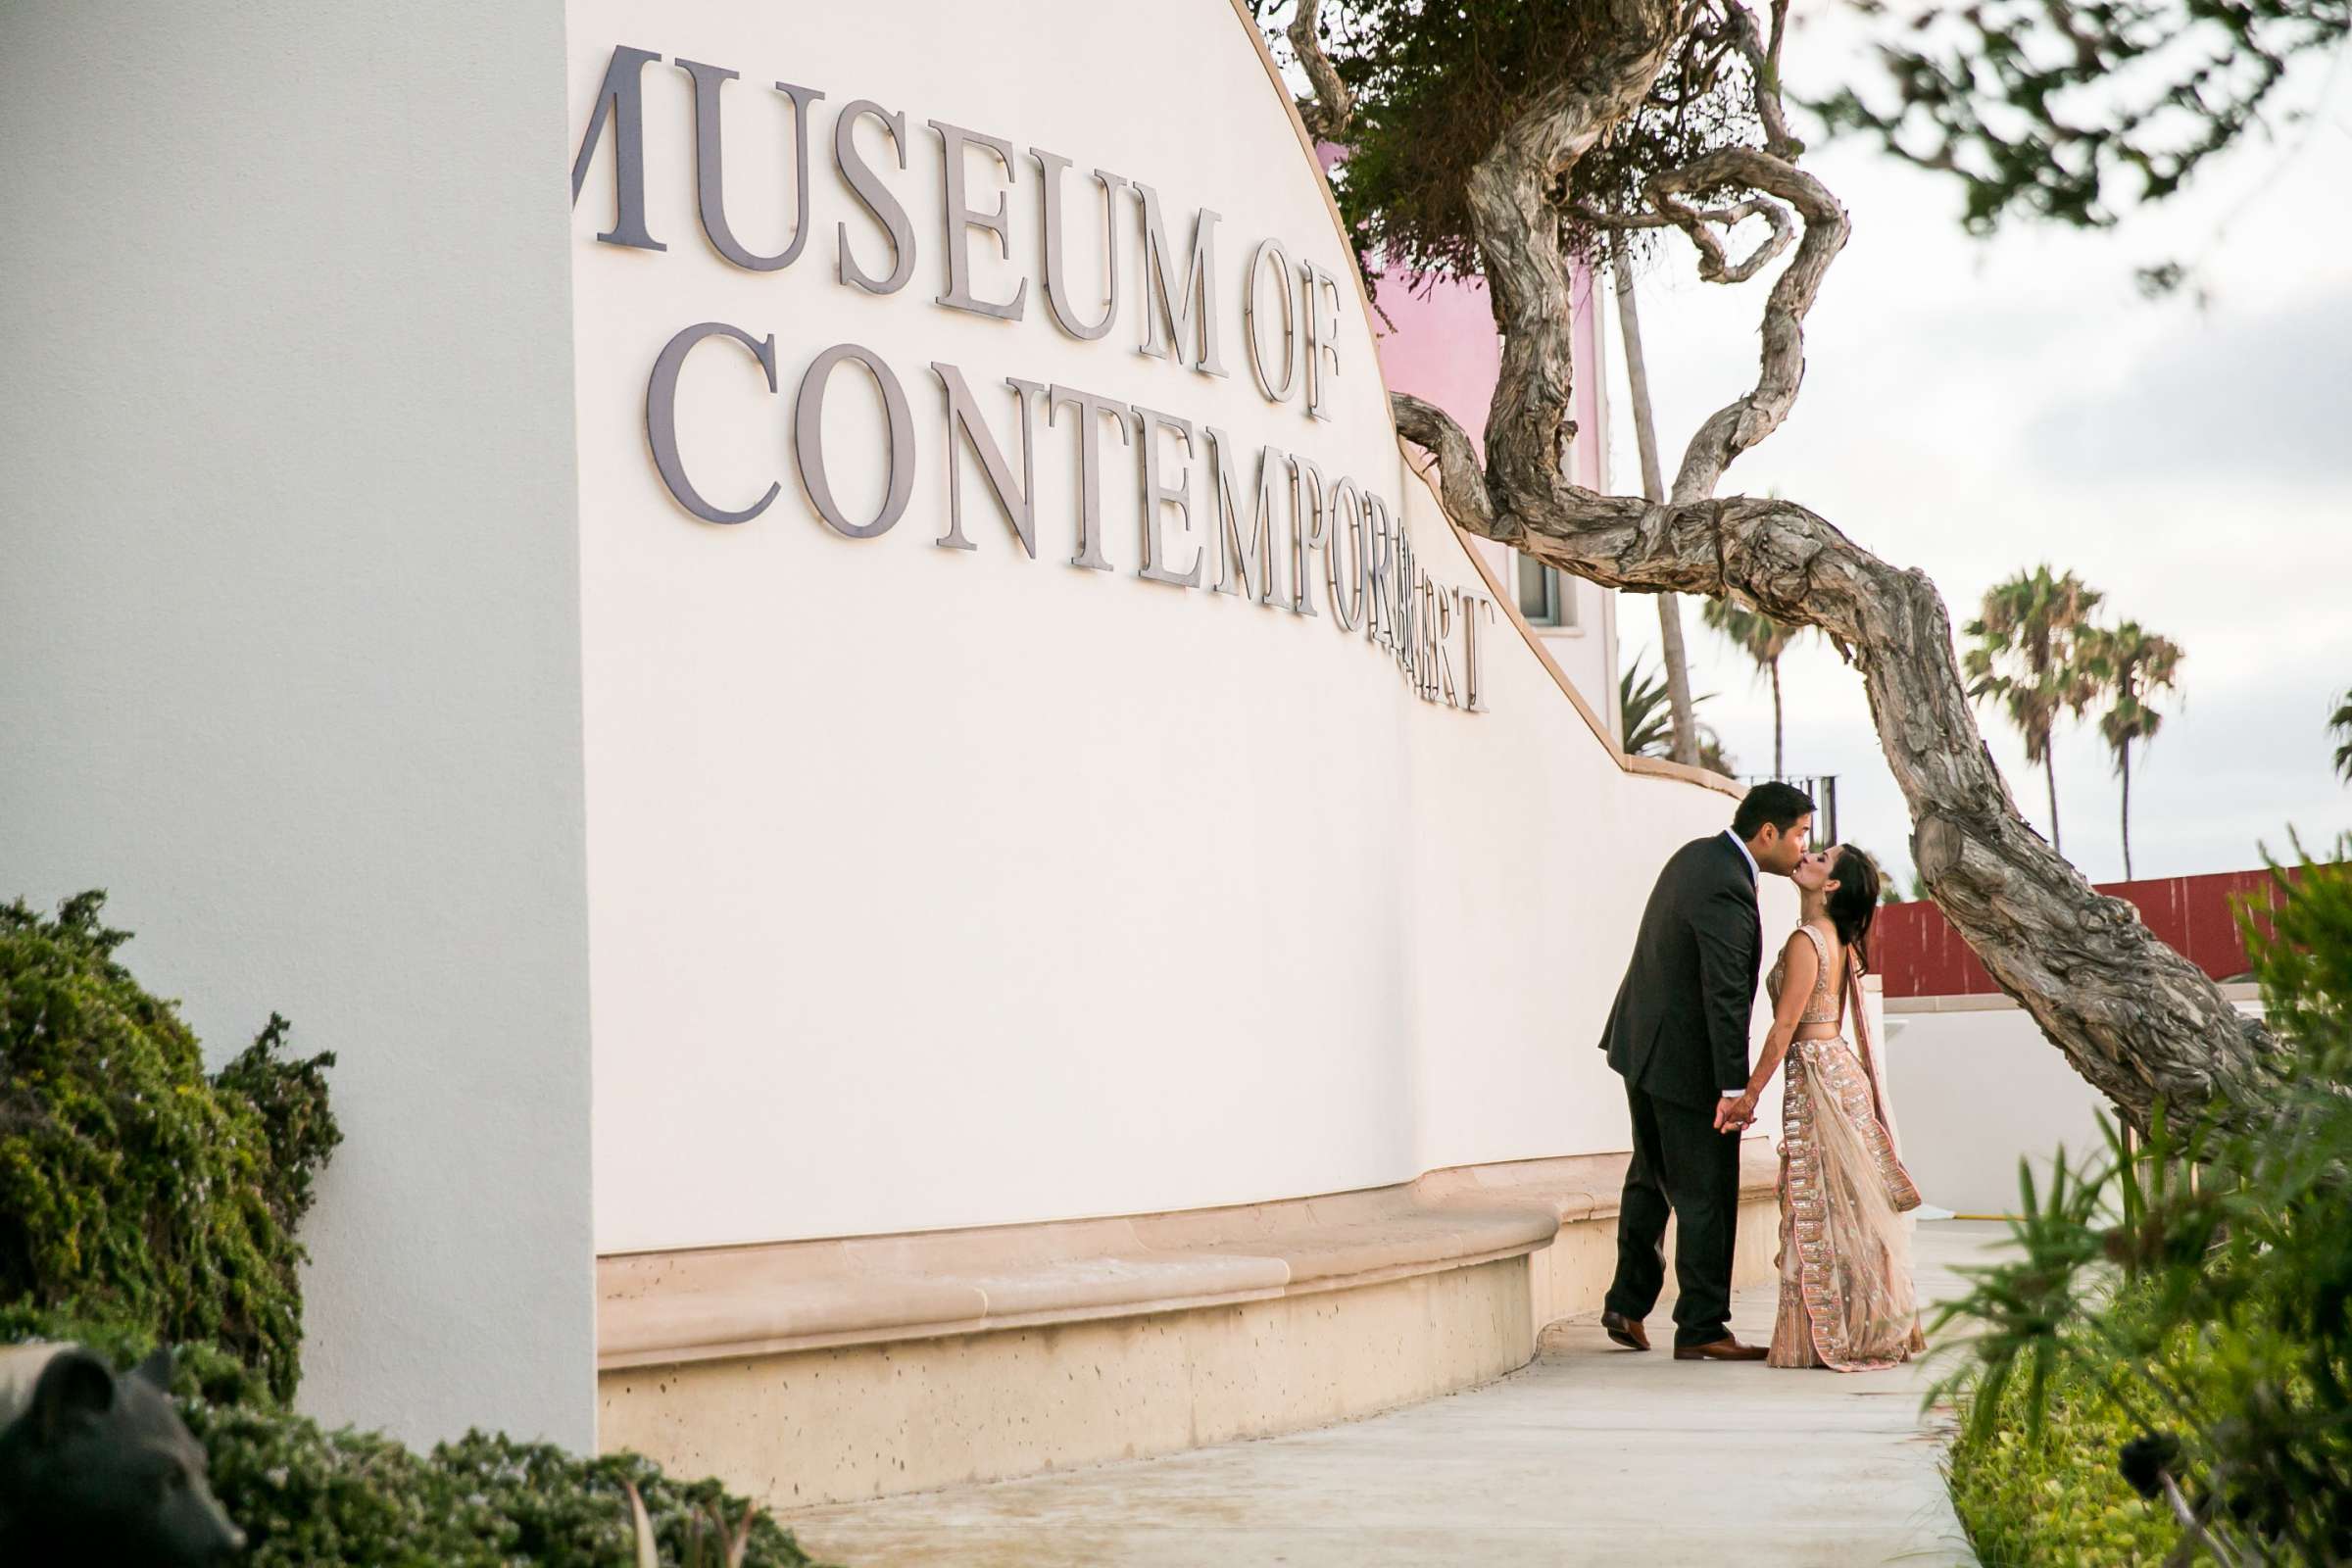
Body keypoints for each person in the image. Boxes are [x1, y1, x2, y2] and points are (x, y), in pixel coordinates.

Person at [1596, 782, 1814, 1362]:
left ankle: (1626, 1303)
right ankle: (1701, 1327)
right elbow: (1723, 993)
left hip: (1640, 1047)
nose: (1801, 849)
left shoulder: (1696, 855)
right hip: (1683, 1062)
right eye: (1799, 835)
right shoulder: (1726, 883)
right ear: (1767, 832)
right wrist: (1733, 1088)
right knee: (1707, 1190)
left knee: (1651, 1175)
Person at [1734, 843, 1927, 1371]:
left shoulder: (1807, 939)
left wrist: (1748, 1095)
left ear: (1832, 884)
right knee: (1844, 1207)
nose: (1807, 855)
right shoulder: (1839, 938)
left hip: (1818, 1073)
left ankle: (1831, 1335)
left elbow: (1783, 1031)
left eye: (1821, 858)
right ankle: (1863, 1324)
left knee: (1821, 1201)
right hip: (1839, 1069)